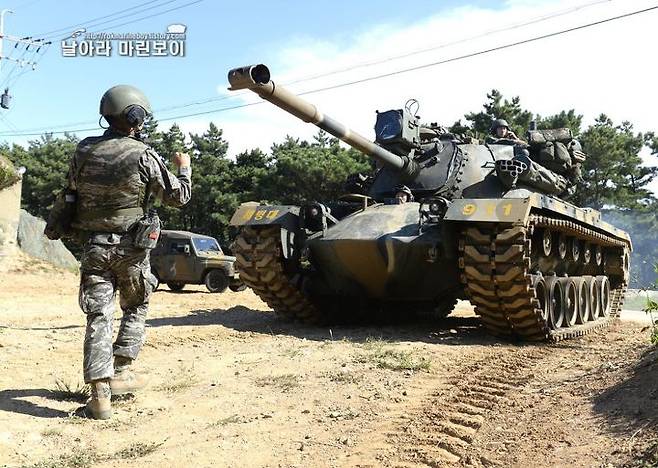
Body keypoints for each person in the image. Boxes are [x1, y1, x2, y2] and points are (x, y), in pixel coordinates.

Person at [67, 85, 192, 419]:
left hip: (94, 247)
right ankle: (122, 370)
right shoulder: (143, 155)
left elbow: (72, 191)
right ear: (136, 116)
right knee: (137, 303)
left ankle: (99, 397)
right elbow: (178, 197)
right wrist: (184, 168)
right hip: (133, 249)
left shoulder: (83, 151)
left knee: (98, 315)